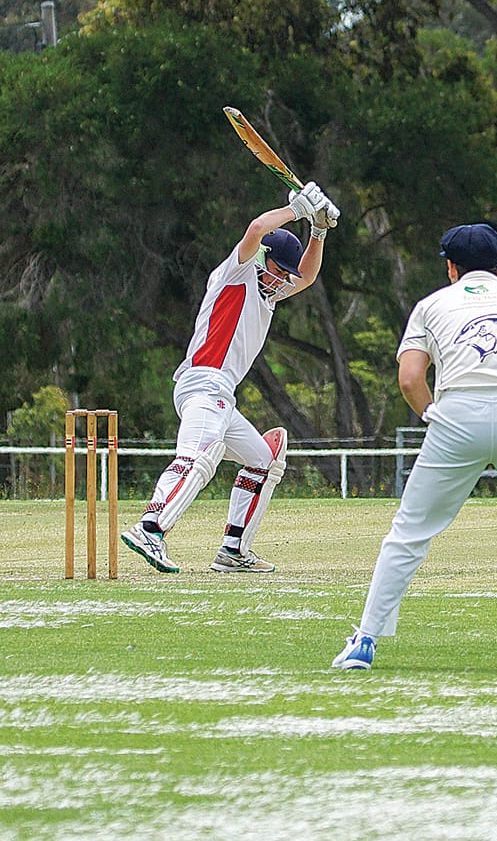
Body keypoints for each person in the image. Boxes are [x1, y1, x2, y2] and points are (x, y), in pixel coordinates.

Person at [332, 223, 497, 673]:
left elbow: (409, 379)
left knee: (408, 534)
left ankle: (364, 642)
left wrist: (432, 416)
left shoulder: (431, 305)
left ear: (451, 268)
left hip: (456, 415)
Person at [122, 182, 340, 574]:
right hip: (204, 382)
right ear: (263, 258)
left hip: (221, 391)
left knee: (263, 460)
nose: (281, 280)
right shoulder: (236, 273)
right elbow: (256, 228)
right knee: (198, 457)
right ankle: (150, 528)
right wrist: (296, 210)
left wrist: (319, 230)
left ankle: (233, 550)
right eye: (278, 270)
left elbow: (306, 277)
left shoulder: (268, 293)